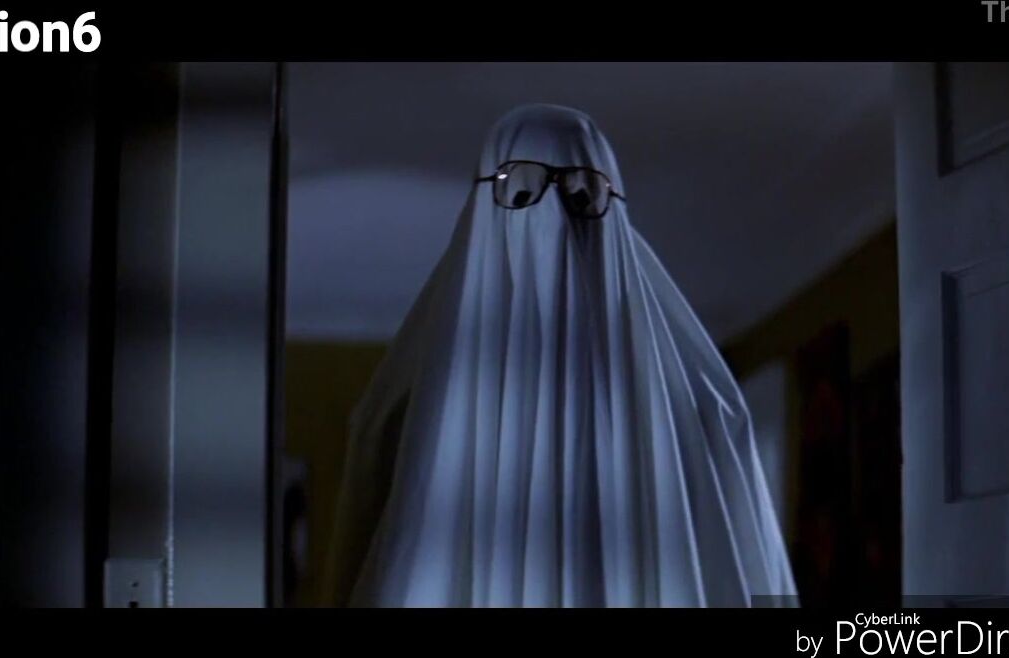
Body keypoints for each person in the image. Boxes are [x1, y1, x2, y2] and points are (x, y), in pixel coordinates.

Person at [322, 103, 796, 607]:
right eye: (520, 192)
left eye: (581, 196)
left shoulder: (704, 403)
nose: (553, 219)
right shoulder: (404, 402)